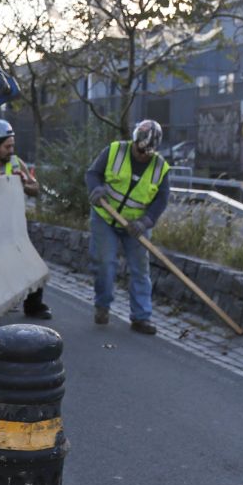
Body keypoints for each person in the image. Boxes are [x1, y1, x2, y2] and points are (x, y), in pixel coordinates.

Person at [85, 119, 171, 335]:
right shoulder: (114, 151)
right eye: (141, 151)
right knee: (105, 263)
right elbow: (92, 174)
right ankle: (102, 306)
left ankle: (141, 318)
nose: (143, 155)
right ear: (135, 141)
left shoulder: (160, 167)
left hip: (137, 225)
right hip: (105, 217)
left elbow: (161, 200)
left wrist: (146, 222)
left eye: (148, 153)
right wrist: (95, 189)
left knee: (140, 270)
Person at [0, 118, 50, 320]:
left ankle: (34, 306)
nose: (12, 150)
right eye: (7, 146)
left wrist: (24, 183)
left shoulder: (16, 163)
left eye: (12, 145)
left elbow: (35, 189)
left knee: (32, 261)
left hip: (15, 226)